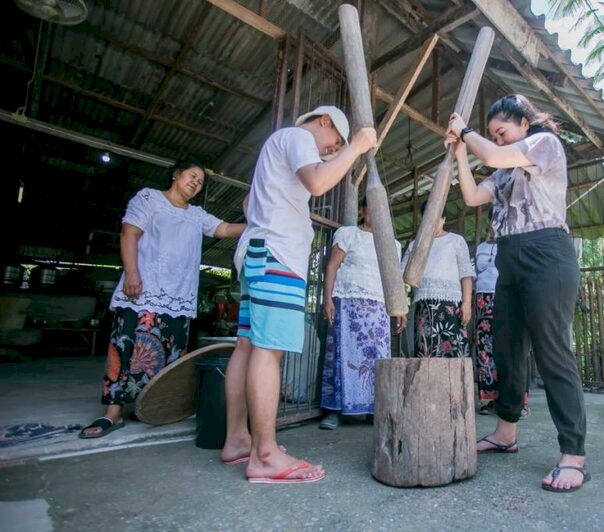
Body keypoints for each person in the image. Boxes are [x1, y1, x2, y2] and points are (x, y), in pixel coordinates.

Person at [220, 105, 378, 484]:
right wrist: (355, 147)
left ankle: (238, 439)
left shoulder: (277, 148)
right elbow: (319, 183)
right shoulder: (296, 137)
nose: (330, 149)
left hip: (258, 251)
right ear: (323, 121)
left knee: (246, 346)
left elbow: (249, 205)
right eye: (333, 140)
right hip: (276, 254)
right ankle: (265, 454)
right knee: (267, 350)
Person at [446, 94, 588, 492]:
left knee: (552, 351)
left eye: (502, 131)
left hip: (547, 253)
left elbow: (491, 155)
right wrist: (460, 150)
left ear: (525, 123)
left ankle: (573, 455)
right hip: (509, 257)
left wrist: (468, 132)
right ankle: (505, 433)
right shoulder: (505, 170)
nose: (499, 139)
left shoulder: (543, 145)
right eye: (494, 134)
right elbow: (473, 195)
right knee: (505, 347)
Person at [79, 161, 245, 439]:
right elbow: (129, 233)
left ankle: (160, 409)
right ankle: (113, 413)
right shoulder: (150, 198)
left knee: (170, 358)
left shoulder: (196, 214)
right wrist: (132, 274)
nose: (196, 183)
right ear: (176, 175)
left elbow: (225, 229)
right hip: (143, 292)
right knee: (125, 350)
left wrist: (261, 224)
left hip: (178, 298)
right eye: (192, 176)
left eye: (201, 182)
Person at [319, 198, 405, 430]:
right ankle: (334, 411)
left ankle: (372, 411)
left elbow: (395, 279)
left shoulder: (392, 245)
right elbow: (332, 267)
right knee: (342, 355)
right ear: (362, 211)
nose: (376, 213)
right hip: (347, 304)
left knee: (376, 359)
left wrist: (401, 308)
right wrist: (328, 299)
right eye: (372, 207)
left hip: (378, 309)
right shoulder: (348, 234)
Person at [474, 212, 529, 418]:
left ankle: (518, 401)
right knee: (485, 348)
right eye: (494, 220)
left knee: (512, 348)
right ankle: (491, 399)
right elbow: (475, 274)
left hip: (507, 296)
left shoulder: (517, 243)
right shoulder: (481, 248)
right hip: (483, 300)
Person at [402, 201, 474, 358]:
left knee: (454, 352)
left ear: (444, 219)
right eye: (429, 218)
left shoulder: (456, 241)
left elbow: (466, 274)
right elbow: (403, 275)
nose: (433, 221)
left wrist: (466, 304)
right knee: (426, 352)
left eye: (437, 217)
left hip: (452, 306)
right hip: (424, 306)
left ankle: (456, 384)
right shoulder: (415, 245)